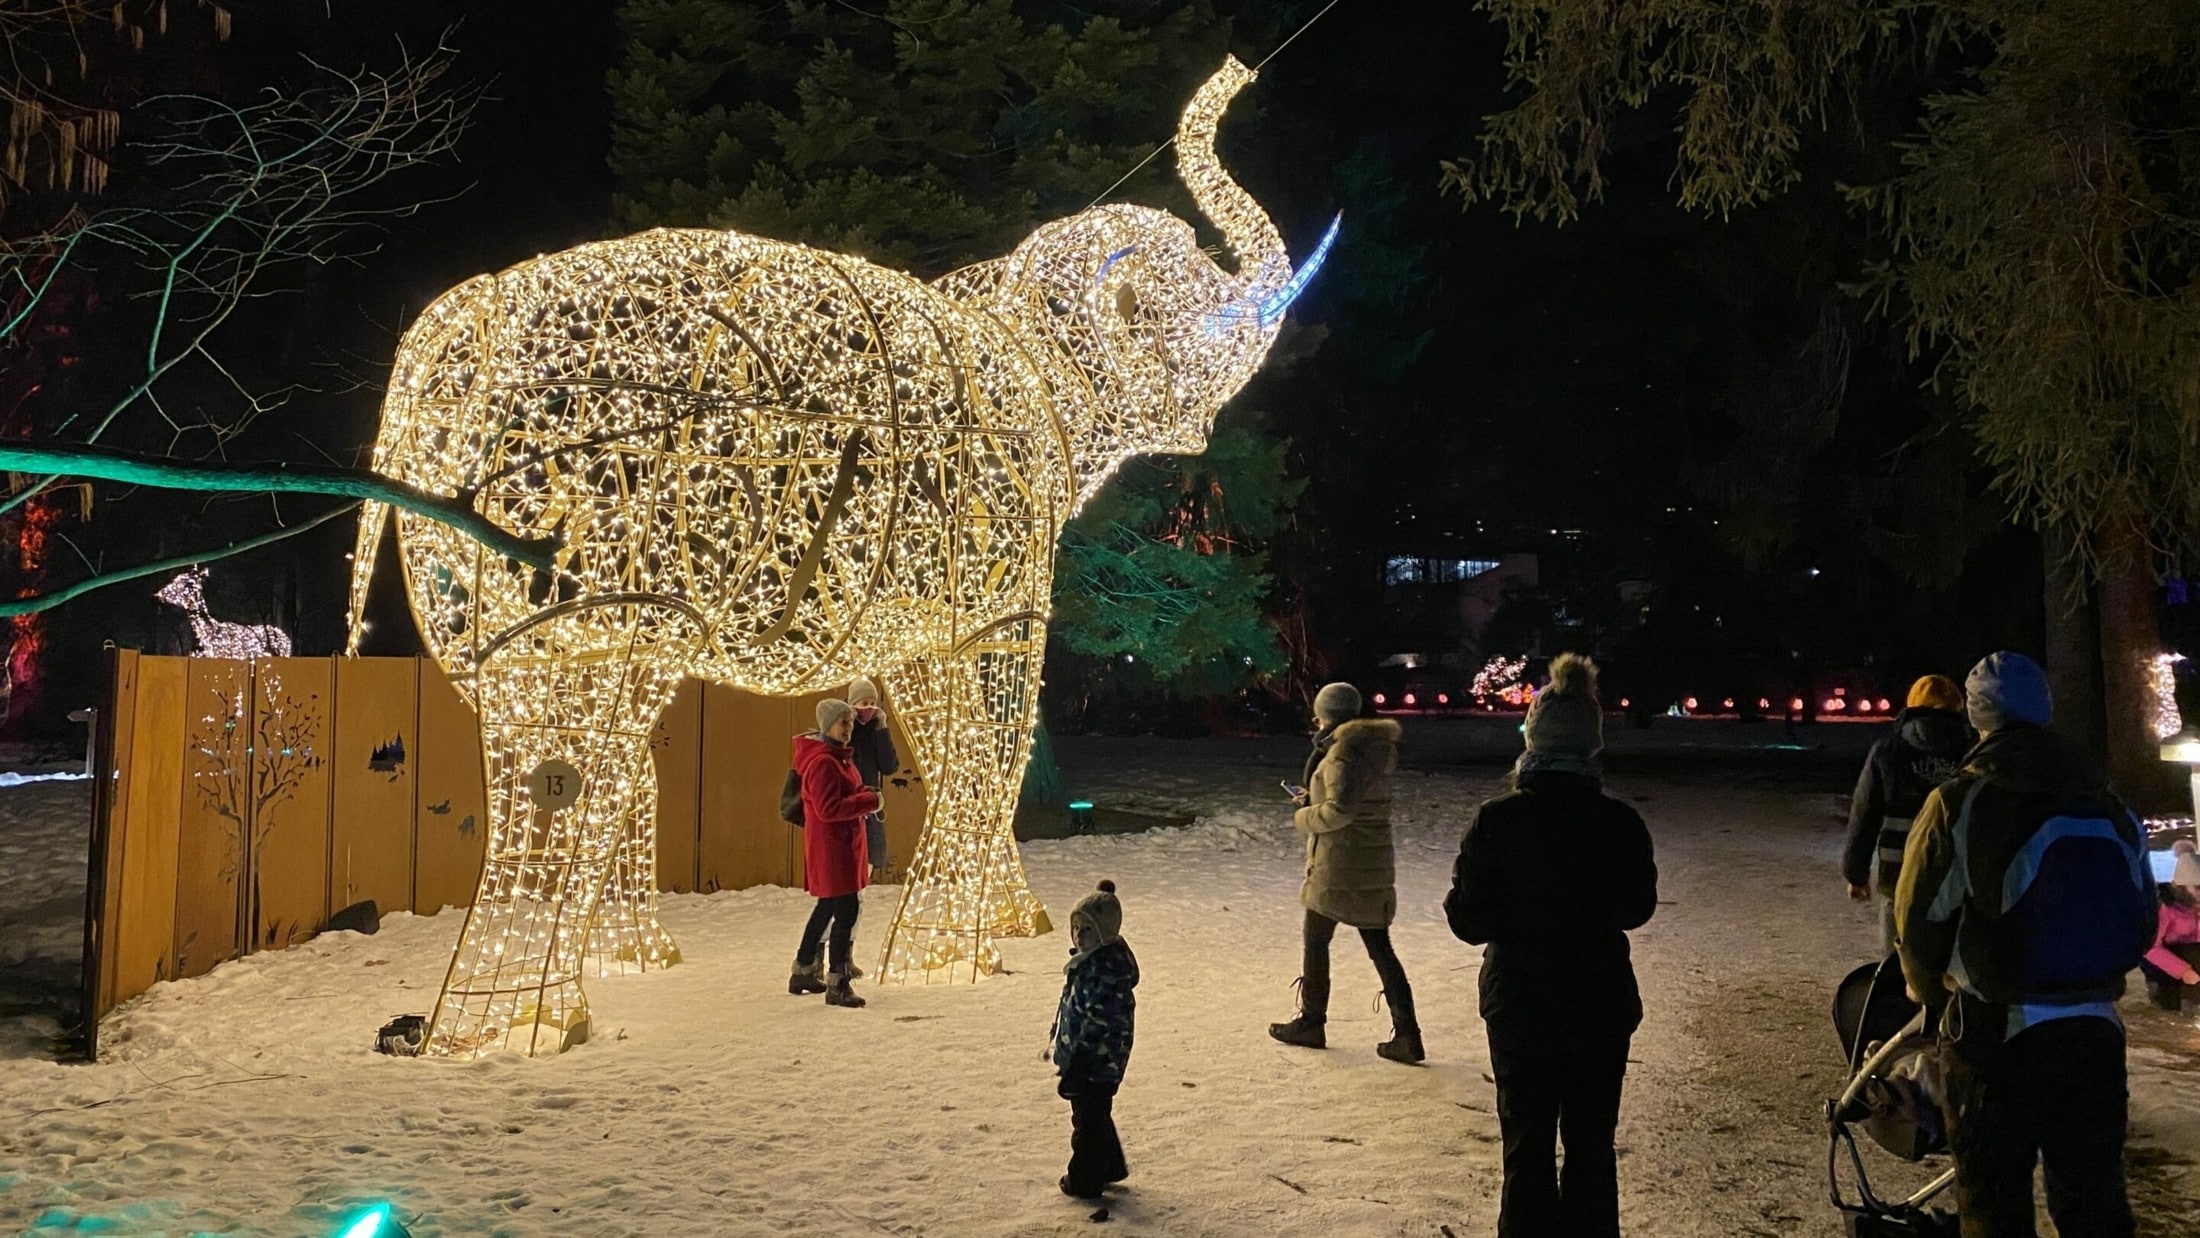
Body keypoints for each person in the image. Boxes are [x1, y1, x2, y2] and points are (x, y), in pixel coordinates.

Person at [1894, 651, 2156, 1237]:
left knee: (1992, 1202)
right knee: (2094, 1200)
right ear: (2045, 709)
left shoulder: (1961, 800)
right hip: (2093, 1029)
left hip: (1997, 1031)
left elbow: (1917, 916)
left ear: (1976, 714)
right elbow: (2144, 921)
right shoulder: (2105, 799)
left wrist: (1926, 987)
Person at [1444, 653, 1657, 1238]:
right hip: (1600, 1002)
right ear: (1592, 744)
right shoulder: (1619, 823)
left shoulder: (1499, 820)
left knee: (1527, 1146)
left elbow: (1469, 921)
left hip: (1521, 1003)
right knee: (1592, 1148)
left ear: (1533, 738)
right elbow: (1637, 908)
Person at [1268, 681, 1423, 1063]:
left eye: (1319, 713)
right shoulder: (1371, 747)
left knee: (1316, 942)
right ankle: (1408, 1034)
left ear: (1330, 715)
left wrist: (1303, 814)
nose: (1315, 720)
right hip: (1369, 861)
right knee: (1380, 947)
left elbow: (1340, 810)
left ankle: (1311, 1022)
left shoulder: (1343, 753)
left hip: (1341, 863)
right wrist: (1315, 797)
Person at [1843, 674, 1974, 952]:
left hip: (1898, 871)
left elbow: (1865, 813)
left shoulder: (1888, 750)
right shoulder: (1974, 752)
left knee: (1896, 957)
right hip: (1958, 871)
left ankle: (1897, 986)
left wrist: (1856, 872)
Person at [788, 698, 881, 1008]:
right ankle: (837, 983)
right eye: (843, 722)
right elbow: (829, 809)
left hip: (840, 846)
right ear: (827, 724)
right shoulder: (824, 762)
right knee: (846, 912)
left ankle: (803, 968)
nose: (849, 728)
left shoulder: (839, 758)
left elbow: (843, 795)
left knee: (828, 906)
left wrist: (863, 793)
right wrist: (869, 802)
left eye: (851, 723)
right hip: (834, 849)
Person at [1050, 879, 1138, 1201]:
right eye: (1075, 928)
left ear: (1105, 933)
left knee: (1087, 1121)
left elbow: (1102, 1023)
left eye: (1087, 930)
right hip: (1087, 1057)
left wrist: (1081, 1061)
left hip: (1097, 1061)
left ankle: (1085, 1179)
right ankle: (1110, 1165)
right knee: (1094, 1114)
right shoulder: (1089, 963)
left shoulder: (1107, 973)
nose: (1078, 936)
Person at [845, 678, 900, 886]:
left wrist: (882, 730)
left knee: (867, 865)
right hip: (848, 805)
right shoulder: (842, 727)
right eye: (863, 703)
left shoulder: (876, 729)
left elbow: (889, 766)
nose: (868, 708)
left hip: (869, 807)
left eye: (872, 703)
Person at [2142, 839, 2200, 1011]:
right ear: (2180, 887)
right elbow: (2149, 947)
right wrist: (2183, 971)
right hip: (2163, 972)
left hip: (2194, 967)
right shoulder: (2165, 908)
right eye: (2197, 888)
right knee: (2169, 1012)